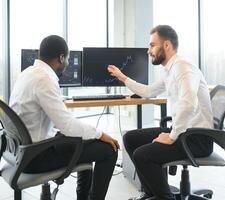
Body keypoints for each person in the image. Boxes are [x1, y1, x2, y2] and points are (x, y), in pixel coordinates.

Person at [108, 25, 214, 200]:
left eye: (152, 45)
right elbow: (149, 92)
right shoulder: (170, 70)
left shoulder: (182, 67)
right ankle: (152, 194)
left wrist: (171, 136)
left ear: (166, 45)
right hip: (185, 132)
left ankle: (164, 197)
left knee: (142, 155)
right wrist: (122, 77)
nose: (148, 51)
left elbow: (188, 105)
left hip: (197, 139)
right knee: (130, 138)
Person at [9, 35, 120, 200]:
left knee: (86, 139)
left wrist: (91, 133)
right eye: (67, 58)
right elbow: (67, 126)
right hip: (35, 157)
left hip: (19, 151)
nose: (68, 63)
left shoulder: (28, 73)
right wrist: (101, 134)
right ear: (61, 58)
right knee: (109, 149)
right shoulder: (44, 79)